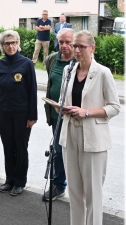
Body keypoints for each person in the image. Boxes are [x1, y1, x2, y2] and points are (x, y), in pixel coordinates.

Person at [57, 30, 120, 225]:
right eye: (75, 46)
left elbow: (114, 107)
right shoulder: (69, 71)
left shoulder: (103, 72)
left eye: (81, 46)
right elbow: (62, 98)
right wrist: (61, 107)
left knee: (93, 194)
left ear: (92, 48)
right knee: (75, 193)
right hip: (69, 135)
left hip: (93, 138)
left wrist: (86, 112)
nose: (76, 50)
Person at [0, 30, 37, 196]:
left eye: (13, 42)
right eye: (7, 43)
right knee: (8, 147)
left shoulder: (26, 64)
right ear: (2, 46)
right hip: (3, 113)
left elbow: (32, 91)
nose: (11, 46)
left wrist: (32, 116)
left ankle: (19, 182)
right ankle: (9, 180)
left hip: (22, 114)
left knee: (21, 147)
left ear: (18, 44)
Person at [42, 28, 75, 201]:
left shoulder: (80, 61)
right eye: (61, 42)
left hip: (75, 117)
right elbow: (51, 83)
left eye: (68, 42)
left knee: (75, 153)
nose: (64, 46)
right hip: (56, 116)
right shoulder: (51, 60)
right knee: (58, 151)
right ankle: (59, 186)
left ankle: (79, 190)